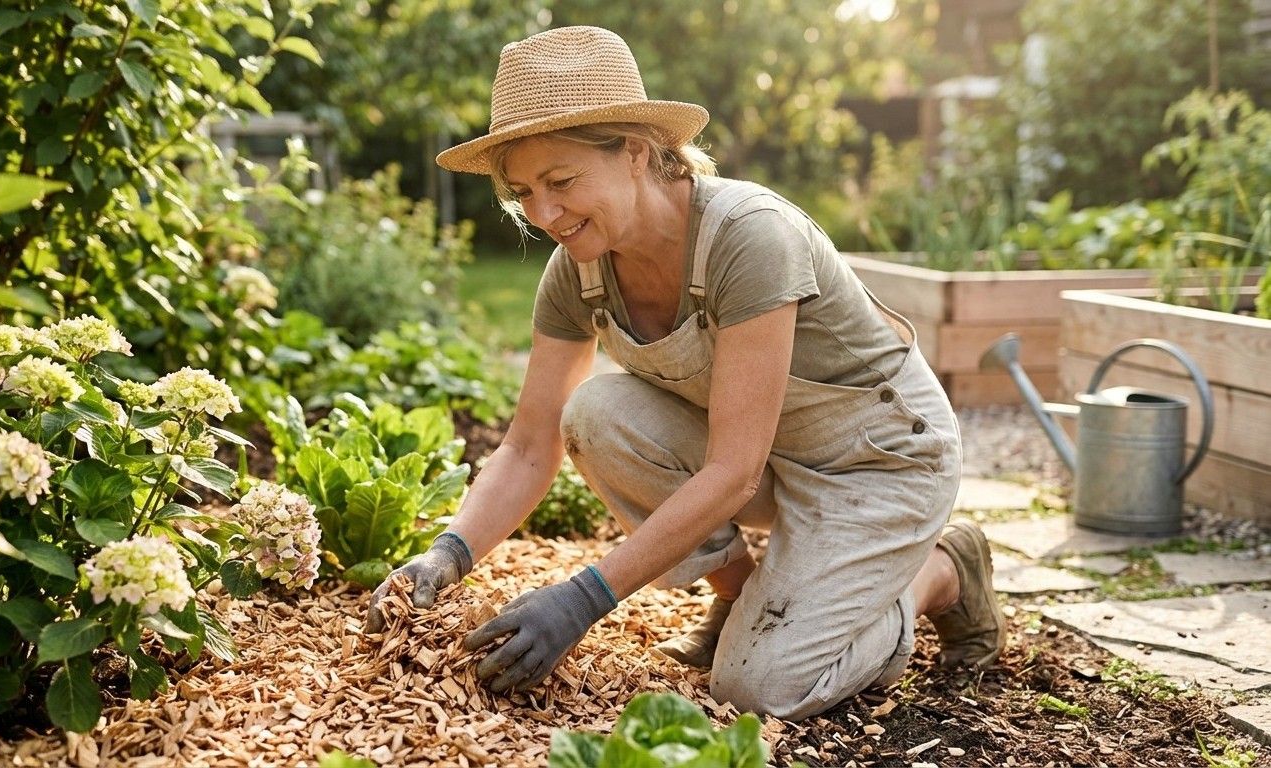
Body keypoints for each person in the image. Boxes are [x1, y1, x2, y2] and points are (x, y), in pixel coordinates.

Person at [364, 25, 1005, 720]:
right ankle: (742, 601)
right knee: (594, 415)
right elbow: (528, 445)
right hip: (771, 458)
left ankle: (941, 572)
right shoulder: (577, 271)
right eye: (522, 192)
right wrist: (448, 554)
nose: (543, 214)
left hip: (877, 462)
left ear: (636, 152)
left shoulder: (749, 238)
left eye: (561, 182)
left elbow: (733, 472)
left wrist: (582, 600)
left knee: (760, 689)